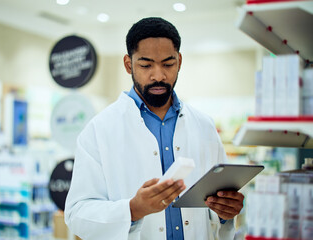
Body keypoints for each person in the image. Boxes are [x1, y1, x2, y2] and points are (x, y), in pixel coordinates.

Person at [64, 17, 244, 240]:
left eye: (168, 64)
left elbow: (217, 205)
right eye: (146, 65)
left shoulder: (204, 126)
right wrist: (132, 209)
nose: (158, 75)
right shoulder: (99, 130)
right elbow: (77, 214)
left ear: (179, 61)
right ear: (128, 64)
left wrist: (225, 211)